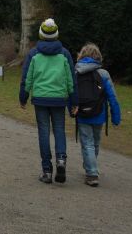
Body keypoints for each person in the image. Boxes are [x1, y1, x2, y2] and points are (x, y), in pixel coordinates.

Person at [19, 18, 77, 184]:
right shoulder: (64, 54)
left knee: (43, 132)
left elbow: (27, 79)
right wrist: (74, 102)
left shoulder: (34, 54)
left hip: (41, 99)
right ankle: (61, 160)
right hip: (59, 98)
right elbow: (71, 80)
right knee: (59, 129)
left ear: (41, 34)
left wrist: (23, 97)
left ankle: (47, 170)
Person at [75, 43, 121, 187]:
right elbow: (112, 97)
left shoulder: (76, 72)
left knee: (87, 143)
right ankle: (91, 169)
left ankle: (91, 172)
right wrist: (116, 116)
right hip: (99, 114)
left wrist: (71, 109)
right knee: (94, 143)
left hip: (82, 114)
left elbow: (71, 93)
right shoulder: (104, 74)